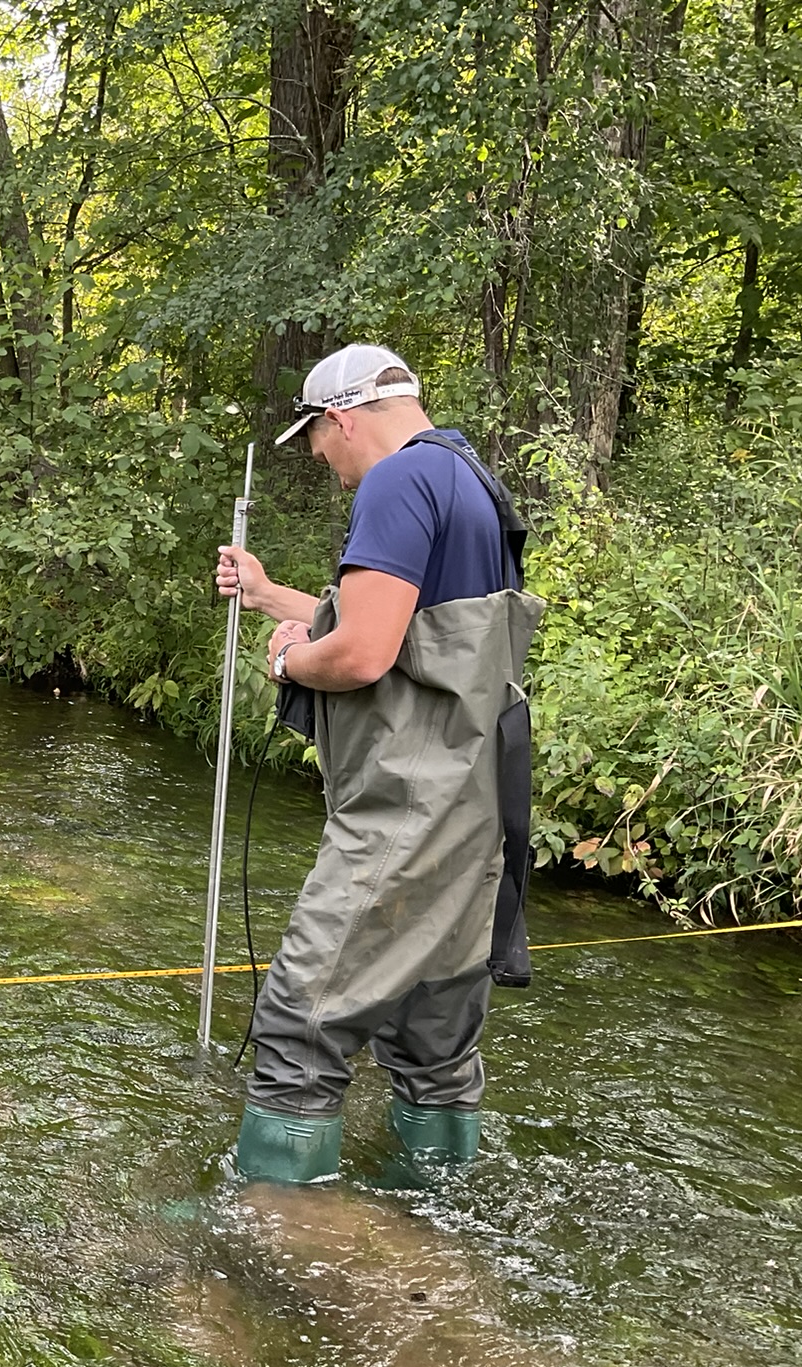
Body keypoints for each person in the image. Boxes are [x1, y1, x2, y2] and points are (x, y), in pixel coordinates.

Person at [214, 344, 544, 1183]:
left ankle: (266, 1226)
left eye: (319, 442)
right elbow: (411, 633)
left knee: (300, 1023)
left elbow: (361, 654)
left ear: (342, 417)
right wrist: (269, 596)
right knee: (430, 1048)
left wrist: (286, 660)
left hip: (403, 815)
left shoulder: (396, 482)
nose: (325, 462)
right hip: (472, 820)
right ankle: (434, 1219)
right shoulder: (467, 479)